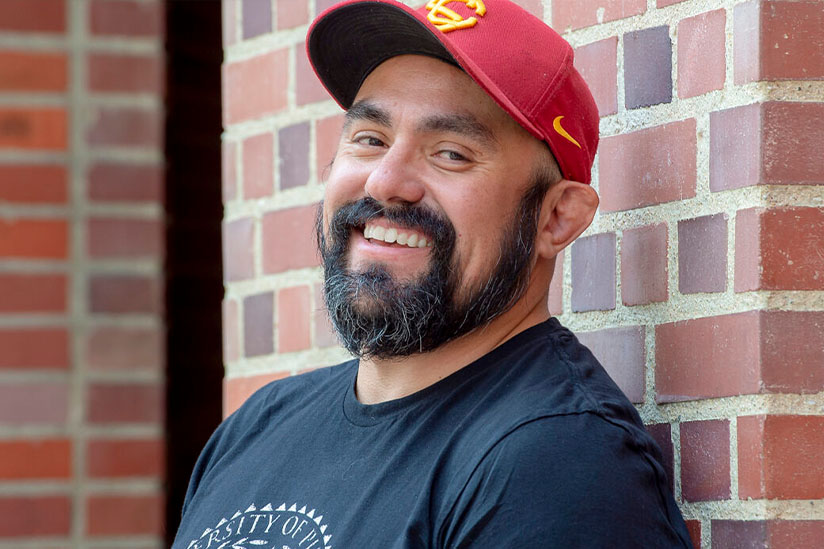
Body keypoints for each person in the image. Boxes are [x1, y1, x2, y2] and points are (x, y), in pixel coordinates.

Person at [173, 0, 693, 547]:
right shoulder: (261, 427)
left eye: (450, 153)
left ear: (556, 217)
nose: (385, 182)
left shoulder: (558, 463)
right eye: (370, 139)